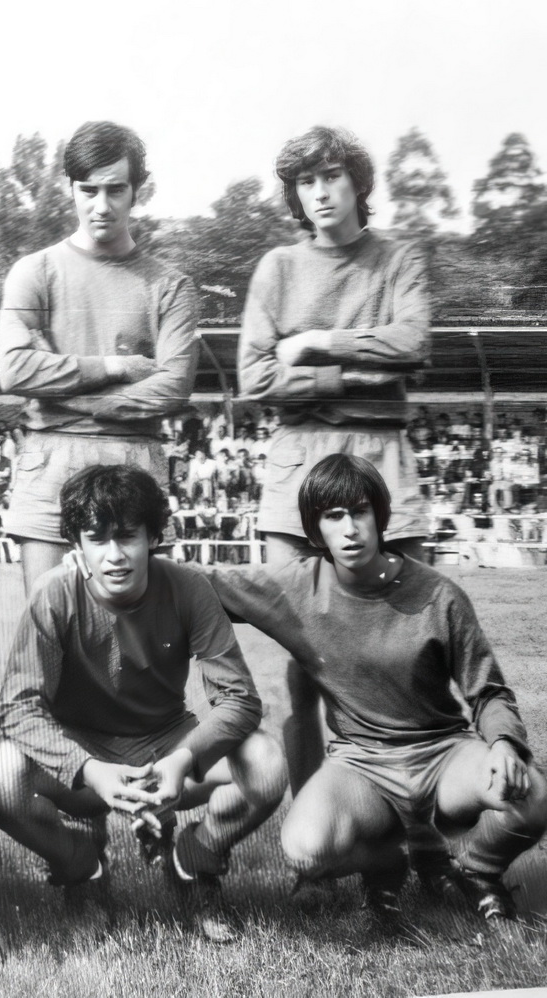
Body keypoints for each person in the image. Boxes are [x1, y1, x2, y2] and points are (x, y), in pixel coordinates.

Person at [198, 454, 547, 926]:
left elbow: (488, 691)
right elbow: (200, 584)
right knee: (305, 848)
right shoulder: (294, 587)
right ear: (315, 529)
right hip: (362, 763)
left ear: (379, 516)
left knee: (533, 795)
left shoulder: (439, 595)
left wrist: (504, 743)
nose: (350, 529)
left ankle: (476, 869)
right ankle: (387, 862)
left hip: (442, 753)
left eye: (360, 512)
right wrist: (122, 564)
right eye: (333, 516)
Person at [238, 125, 446, 882]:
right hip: (296, 473)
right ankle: (313, 843)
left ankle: (423, 842)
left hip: (384, 463)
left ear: (359, 182)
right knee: (303, 671)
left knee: (409, 660)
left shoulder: (399, 258)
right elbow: (256, 378)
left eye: (332, 176)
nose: (320, 192)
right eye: (306, 180)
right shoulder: (277, 266)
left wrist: (317, 345)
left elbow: (413, 345)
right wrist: (359, 370)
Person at [0, 465, 285, 943]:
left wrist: (182, 759)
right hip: (85, 752)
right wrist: (87, 769)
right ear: (76, 544)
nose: (115, 555)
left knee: (265, 762)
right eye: (97, 538)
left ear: (153, 537)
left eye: (127, 536)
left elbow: (240, 698)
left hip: (167, 747)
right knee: (0, 770)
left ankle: (196, 860)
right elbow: (18, 707)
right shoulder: (55, 592)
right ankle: (82, 868)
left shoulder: (188, 587)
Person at [0, 120, 198, 593]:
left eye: (115, 190)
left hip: (134, 458)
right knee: (48, 620)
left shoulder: (171, 285)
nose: (101, 206)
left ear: (137, 190)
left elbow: (173, 387)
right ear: (69, 188)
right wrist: (116, 367)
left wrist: (61, 391)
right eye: (88, 190)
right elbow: (15, 369)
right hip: (50, 458)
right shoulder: (34, 272)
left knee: (136, 628)